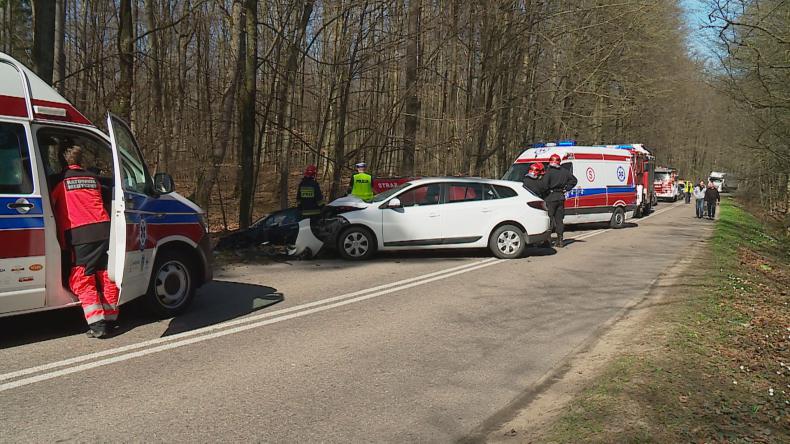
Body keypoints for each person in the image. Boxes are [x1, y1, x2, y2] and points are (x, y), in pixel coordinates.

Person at [51, 145, 120, 339]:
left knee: (81, 278)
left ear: (62, 161)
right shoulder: (93, 178)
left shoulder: (58, 181)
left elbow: (50, 206)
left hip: (80, 234)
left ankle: (97, 325)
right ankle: (111, 318)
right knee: (105, 274)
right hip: (104, 230)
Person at [543, 154, 577, 248]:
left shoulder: (548, 171)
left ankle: (547, 240)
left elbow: (544, 185)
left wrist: (544, 193)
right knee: (559, 220)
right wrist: (567, 188)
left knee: (549, 219)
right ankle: (560, 240)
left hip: (550, 197)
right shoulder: (564, 171)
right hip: (561, 197)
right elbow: (574, 180)